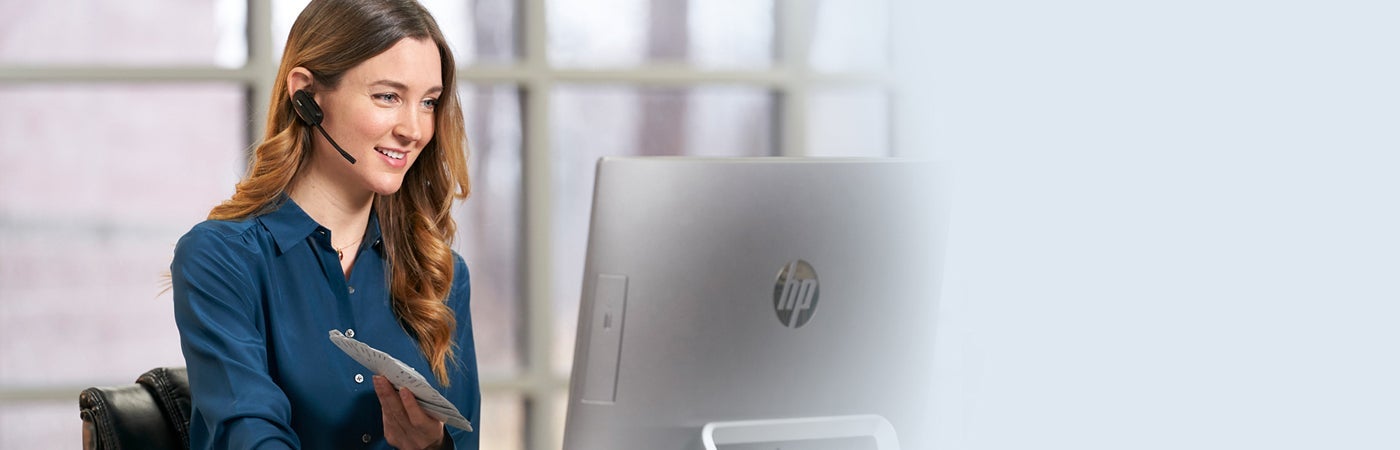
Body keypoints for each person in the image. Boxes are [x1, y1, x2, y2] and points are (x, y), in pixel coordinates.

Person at [170, 0, 478, 448]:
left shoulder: (442, 273)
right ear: (307, 95)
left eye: (429, 102)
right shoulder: (222, 259)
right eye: (388, 96)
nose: (414, 129)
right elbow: (250, 437)